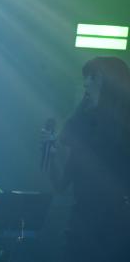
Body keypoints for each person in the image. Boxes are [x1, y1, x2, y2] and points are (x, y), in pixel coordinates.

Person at [47, 57, 130, 262]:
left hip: (114, 232)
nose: (86, 83)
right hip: (81, 229)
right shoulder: (83, 129)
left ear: (110, 84)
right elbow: (61, 184)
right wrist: (52, 154)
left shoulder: (122, 132)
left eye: (93, 77)